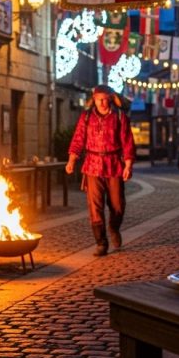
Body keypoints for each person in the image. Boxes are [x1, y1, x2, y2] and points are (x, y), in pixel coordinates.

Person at [66, 85, 134, 256]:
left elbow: (127, 141)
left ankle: (114, 227)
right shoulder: (86, 116)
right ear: (94, 100)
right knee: (95, 206)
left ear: (110, 98)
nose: (102, 103)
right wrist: (72, 160)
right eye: (99, 99)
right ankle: (101, 242)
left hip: (113, 164)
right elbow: (78, 138)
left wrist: (128, 164)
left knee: (117, 205)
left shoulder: (119, 116)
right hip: (92, 165)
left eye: (105, 99)